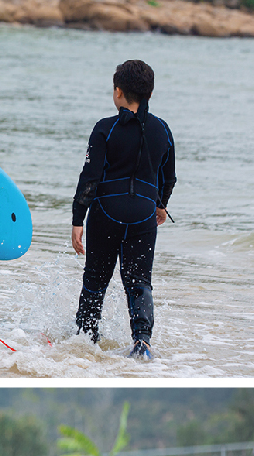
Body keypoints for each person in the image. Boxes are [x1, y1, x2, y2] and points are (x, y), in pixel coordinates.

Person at [71, 58, 176, 359]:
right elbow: (169, 176)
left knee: (95, 282)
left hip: (106, 212)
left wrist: (78, 218)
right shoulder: (162, 130)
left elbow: (89, 178)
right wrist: (160, 206)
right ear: (149, 95)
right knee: (139, 283)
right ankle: (142, 342)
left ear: (118, 92)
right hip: (143, 214)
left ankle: (84, 340)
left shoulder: (105, 129)